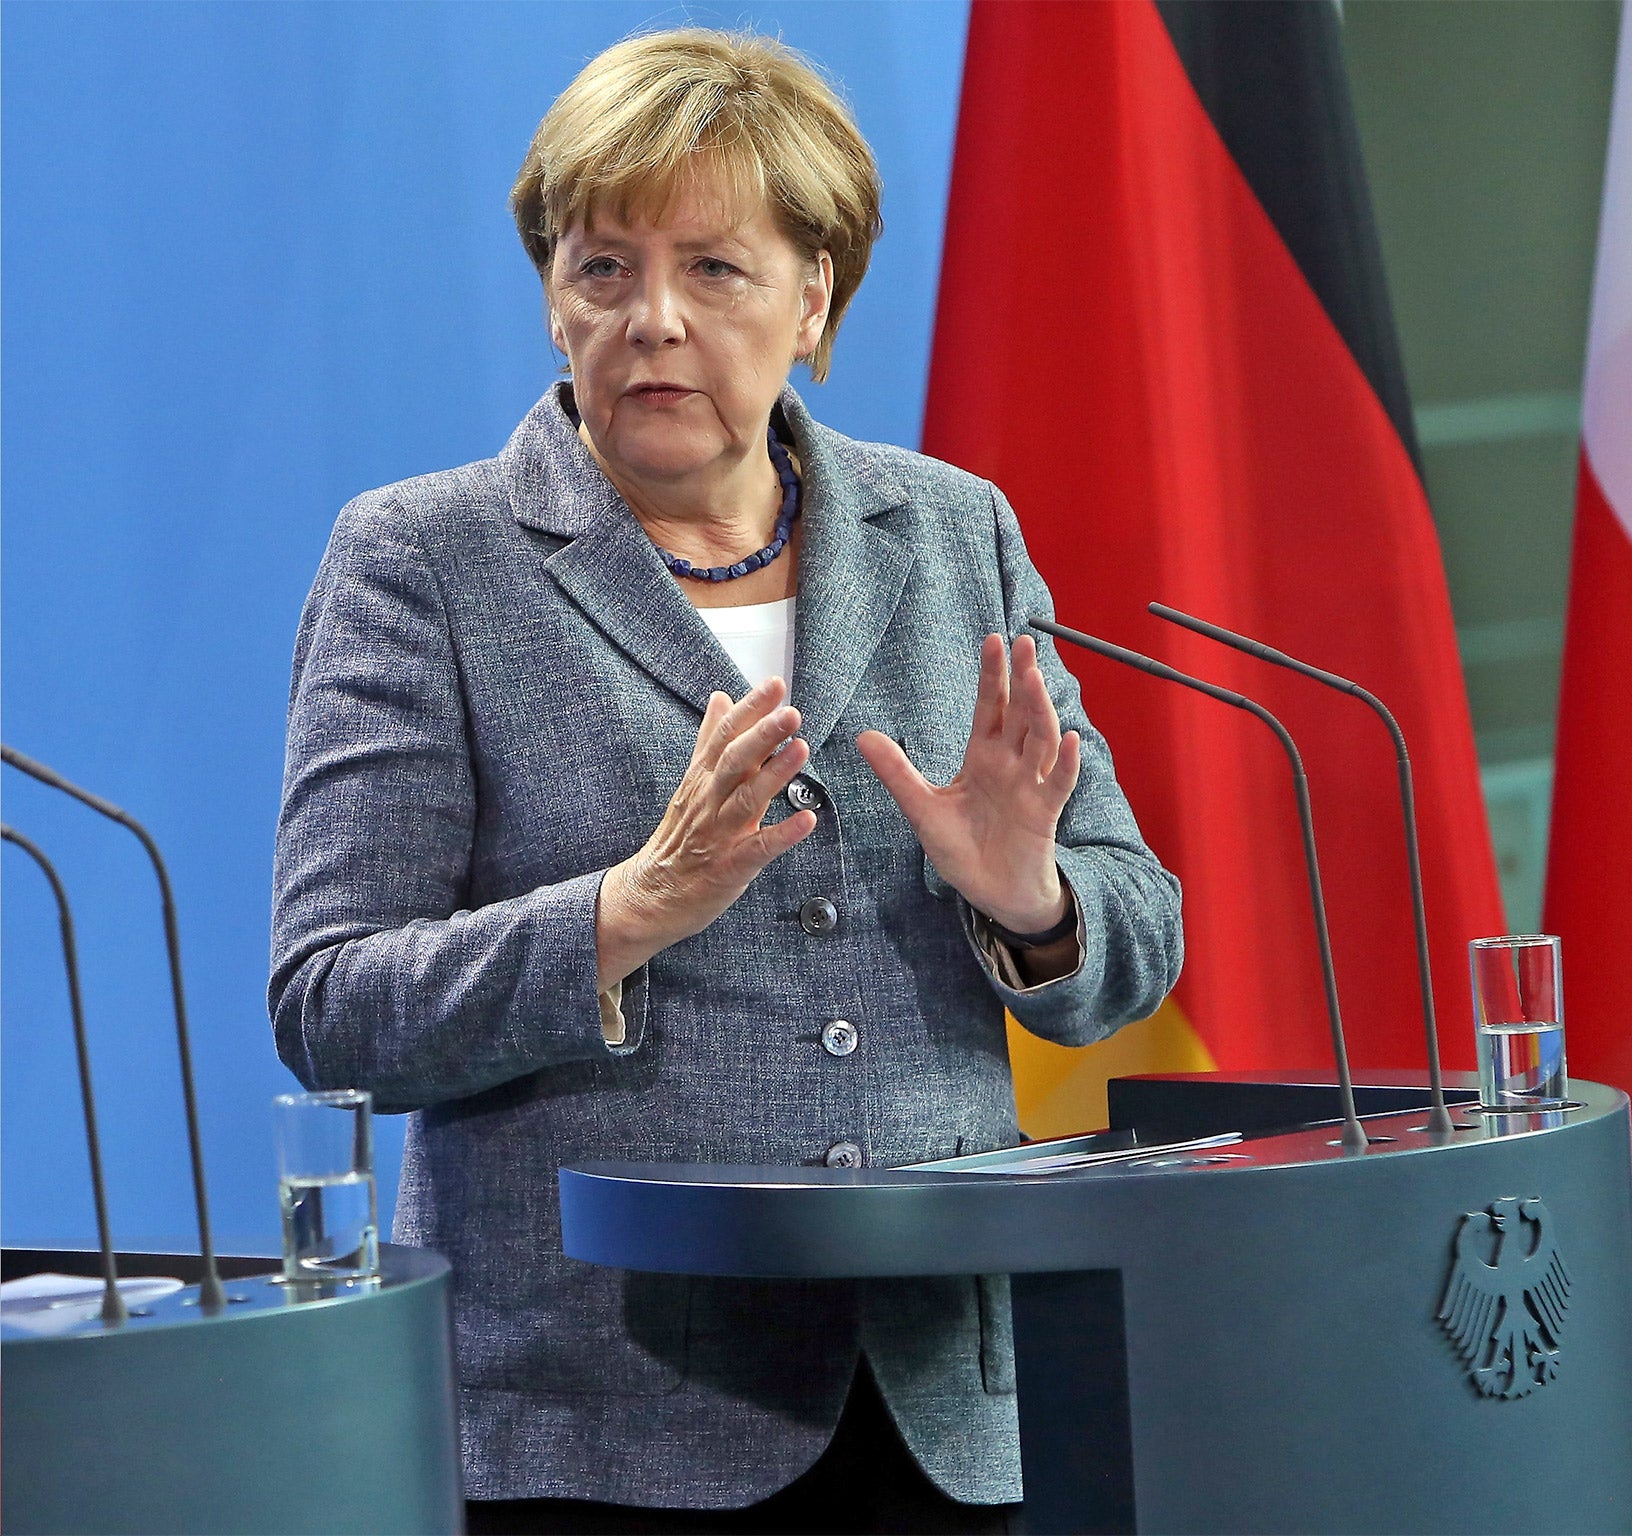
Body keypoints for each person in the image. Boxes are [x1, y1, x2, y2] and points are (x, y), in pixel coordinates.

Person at [269, 27, 1183, 1535]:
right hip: (603, 1420)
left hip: (942, 1399)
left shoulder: (951, 533)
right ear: (552, 292)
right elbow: (332, 1004)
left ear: (814, 293)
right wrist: (622, 915)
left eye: (714, 270)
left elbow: (1133, 935)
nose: (652, 324)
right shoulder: (426, 563)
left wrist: (1035, 903)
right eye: (605, 268)